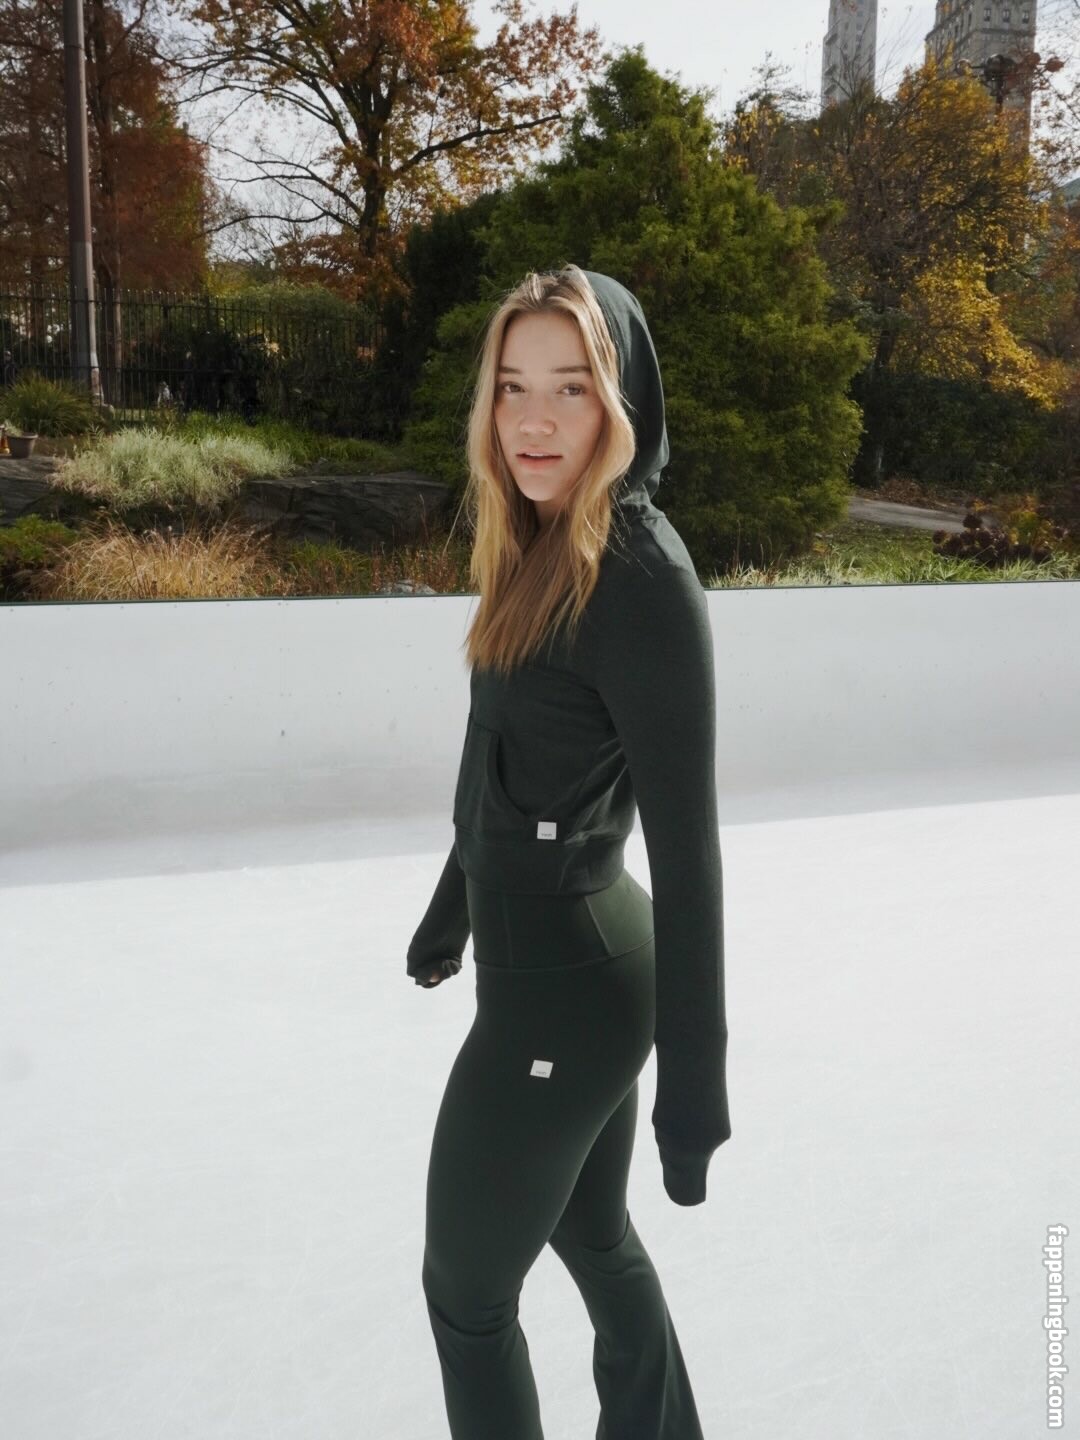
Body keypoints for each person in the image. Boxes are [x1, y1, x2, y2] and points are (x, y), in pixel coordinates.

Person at [406, 264, 730, 1440]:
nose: (533, 420)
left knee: (465, 1294)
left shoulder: (639, 578)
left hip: (569, 997)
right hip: (555, 958)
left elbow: (690, 857)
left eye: (571, 387)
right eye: (512, 386)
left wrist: (695, 1090)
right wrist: (454, 903)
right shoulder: (538, 537)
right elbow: (500, 754)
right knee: (592, 1234)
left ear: (621, 399)